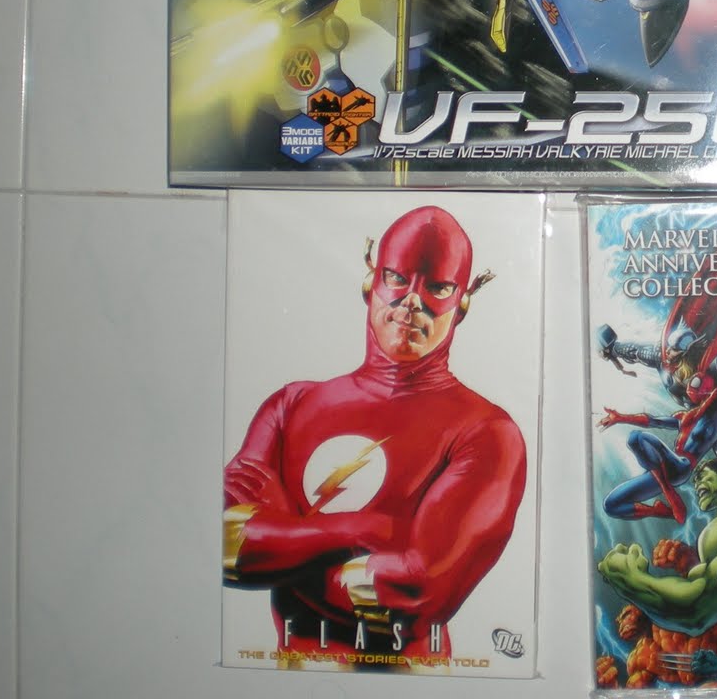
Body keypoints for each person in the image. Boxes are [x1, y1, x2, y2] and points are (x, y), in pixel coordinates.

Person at [223, 206, 525, 666]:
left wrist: (276, 545)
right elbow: (226, 546)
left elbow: (412, 598)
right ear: (371, 282)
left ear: (462, 303)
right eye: (397, 279)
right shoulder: (290, 405)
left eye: (437, 288)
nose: (412, 302)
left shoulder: (488, 433)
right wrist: (362, 530)